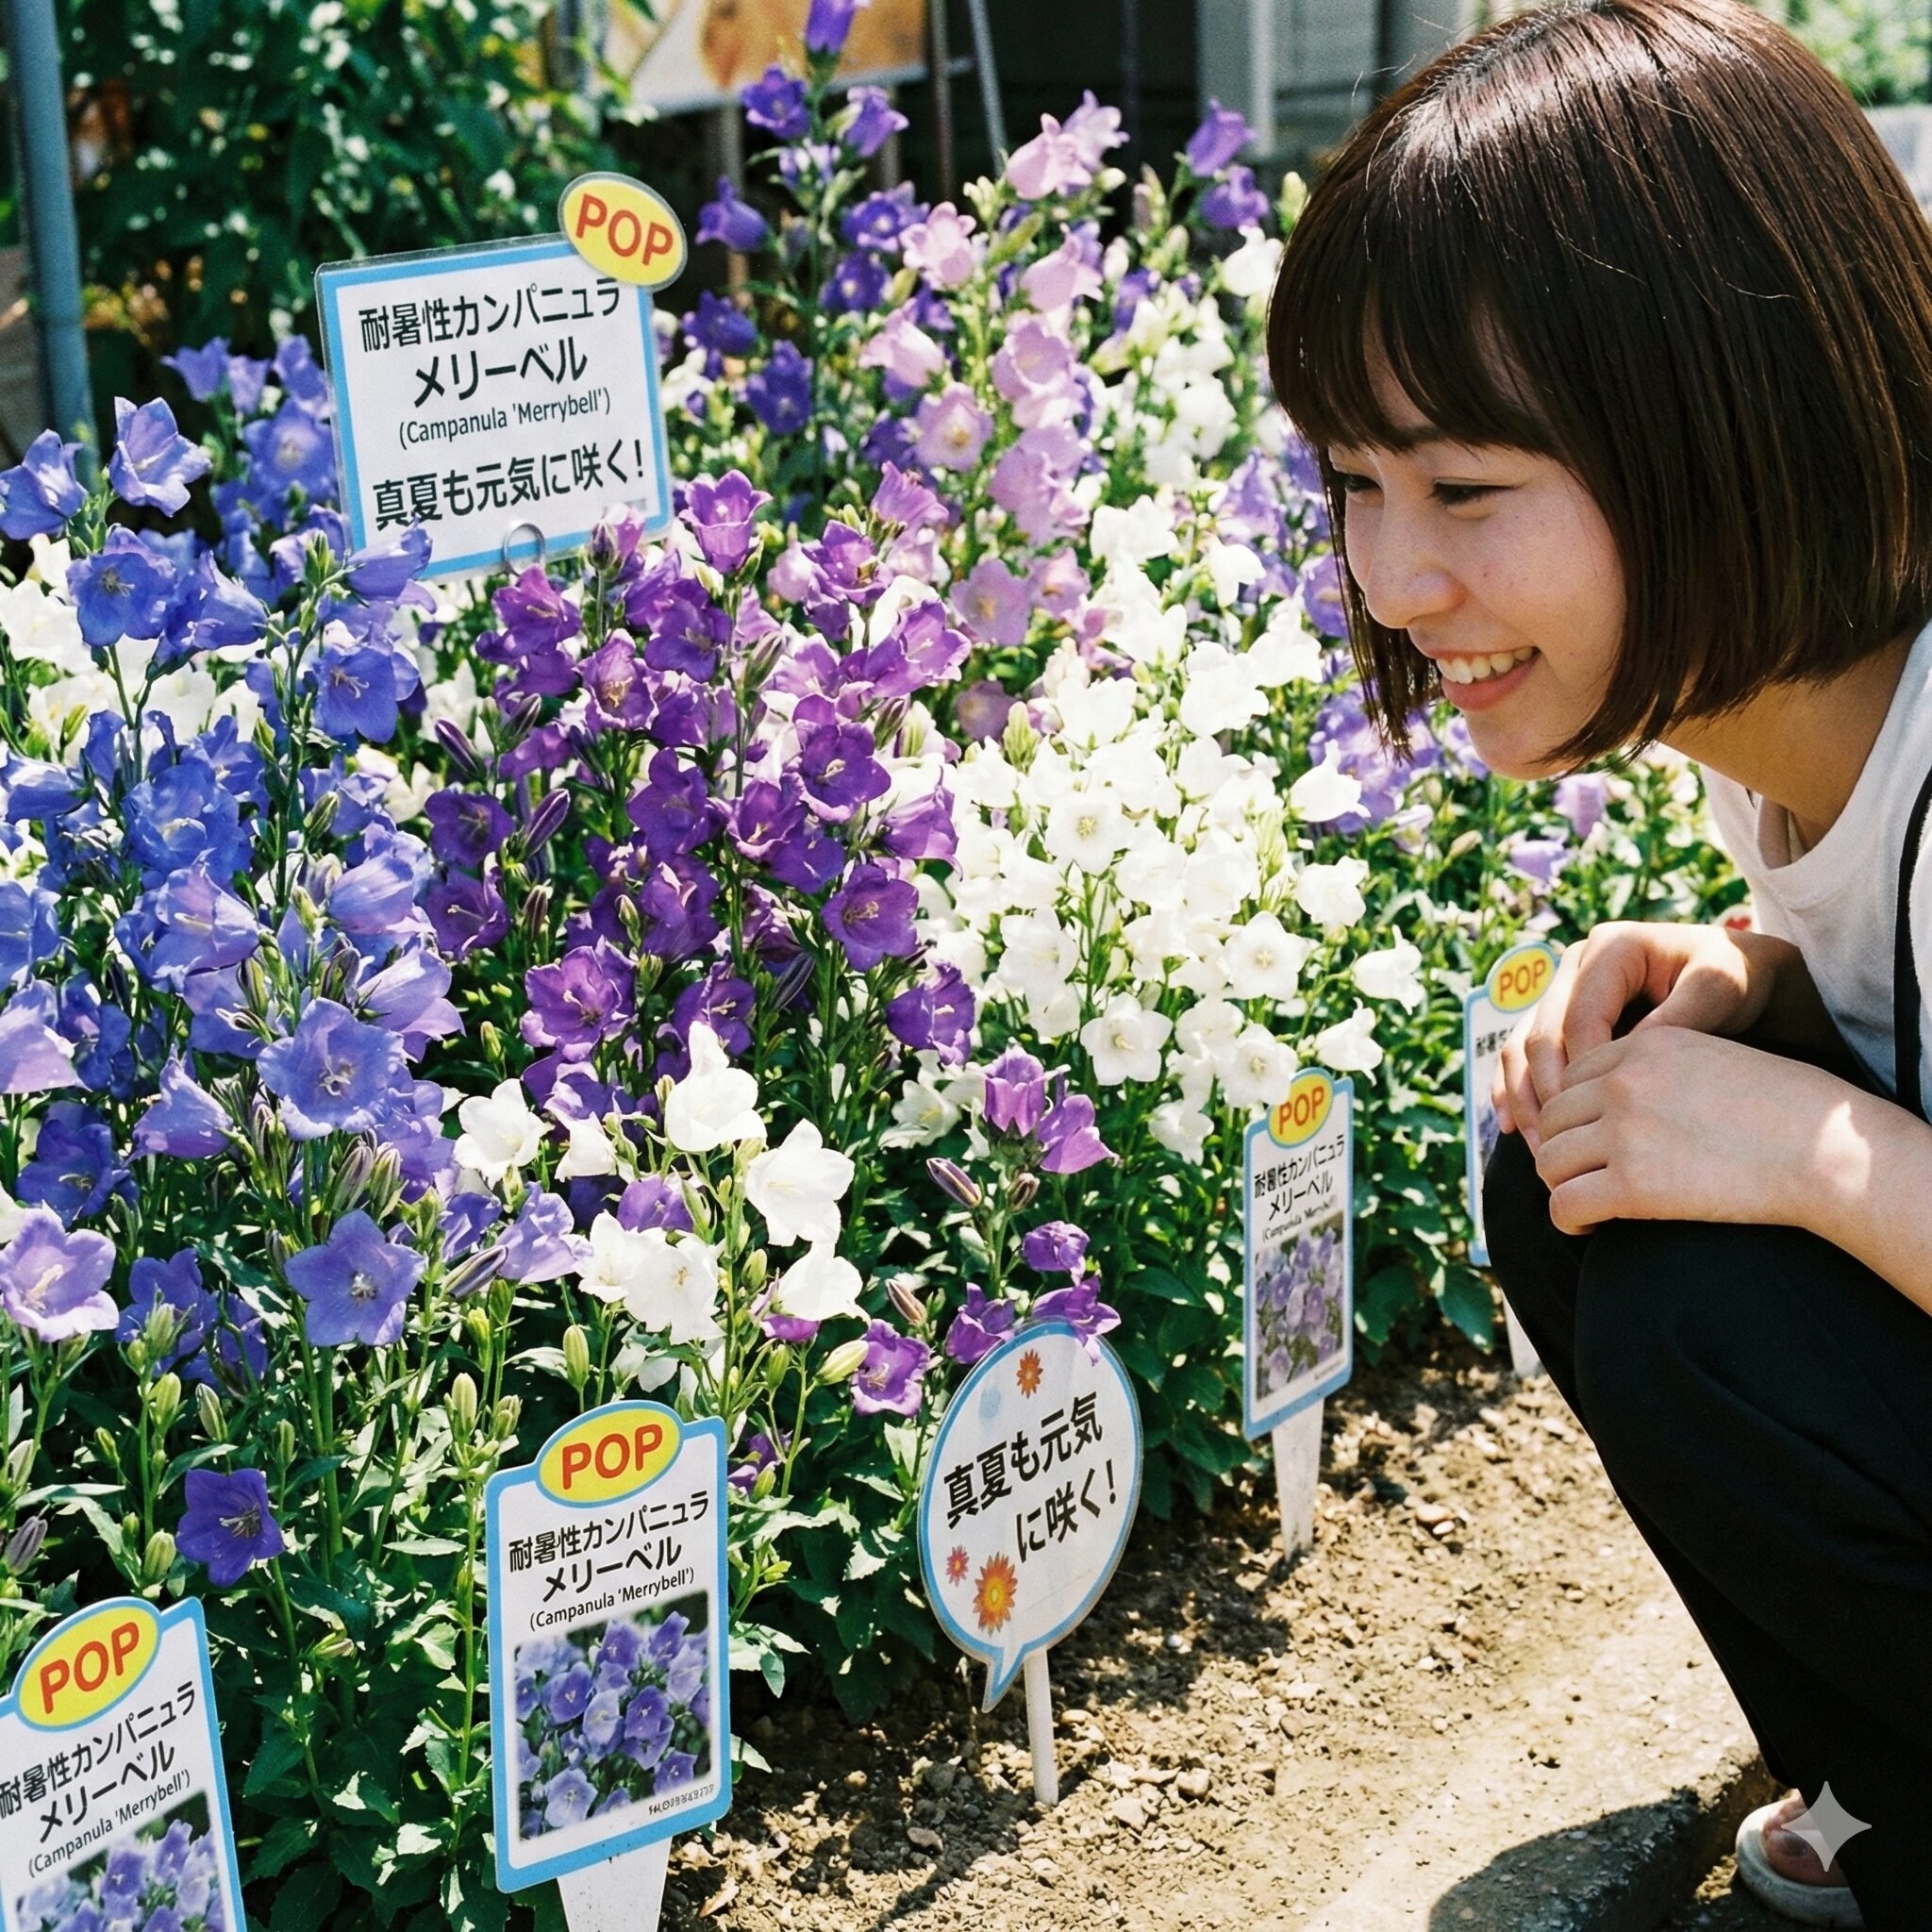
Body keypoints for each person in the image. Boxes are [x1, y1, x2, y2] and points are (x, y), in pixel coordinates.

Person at [1265, 2, 1932, 1924]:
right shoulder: (1810, 732)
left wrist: (1812, 1149)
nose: (1391, 578)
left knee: (1701, 1290)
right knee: (1585, 1157)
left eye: (1464, 490)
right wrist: (1742, 976)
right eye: (1353, 483)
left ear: (1735, 418)